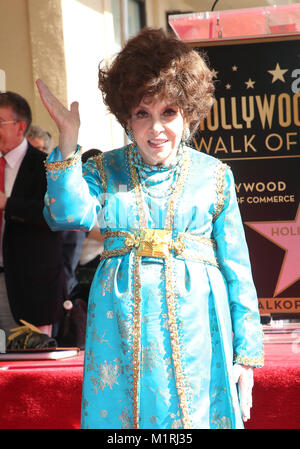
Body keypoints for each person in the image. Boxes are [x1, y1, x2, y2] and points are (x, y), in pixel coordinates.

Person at [37, 28, 264, 429]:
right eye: (143, 113)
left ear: (188, 113)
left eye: (169, 112)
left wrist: (246, 357)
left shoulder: (215, 176)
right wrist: (69, 141)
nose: (156, 128)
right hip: (119, 326)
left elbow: (238, 270)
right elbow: (66, 214)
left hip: (199, 328)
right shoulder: (103, 170)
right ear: (128, 117)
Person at [0, 91, 66, 338]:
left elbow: (55, 215)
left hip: (31, 287)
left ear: (20, 128)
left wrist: (8, 204)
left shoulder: (46, 167)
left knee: (29, 363)